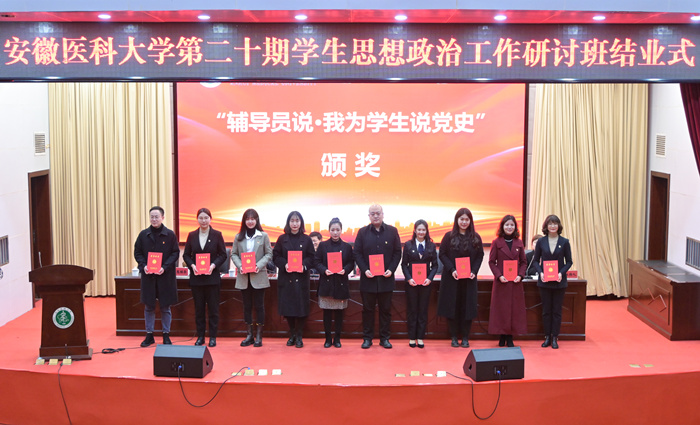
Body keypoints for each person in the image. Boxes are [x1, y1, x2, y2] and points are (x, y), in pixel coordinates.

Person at [353, 204, 402, 349]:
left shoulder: (392, 231)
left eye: (378, 213)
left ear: (383, 214)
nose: (375, 216)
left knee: (385, 310)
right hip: (368, 279)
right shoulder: (362, 232)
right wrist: (364, 269)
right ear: (369, 216)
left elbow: (397, 252)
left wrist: (391, 269)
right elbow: (357, 253)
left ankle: (384, 338)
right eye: (372, 213)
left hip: (386, 279)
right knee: (367, 310)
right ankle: (367, 338)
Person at [133, 206, 180, 347]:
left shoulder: (170, 235)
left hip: (165, 277)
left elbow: (175, 253)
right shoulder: (143, 235)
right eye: (152, 217)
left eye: (157, 217)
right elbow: (137, 252)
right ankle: (149, 335)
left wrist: (164, 267)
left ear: (162, 218)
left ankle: (166, 334)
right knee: (149, 307)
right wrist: (143, 266)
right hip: (149, 277)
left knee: (165, 307)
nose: (154, 219)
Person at [438, 208, 484, 348]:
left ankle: (465, 337)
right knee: (452, 306)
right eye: (461, 219)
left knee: (467, 307)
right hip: (452, 278)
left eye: (467, 219)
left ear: (470, 221)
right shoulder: (448, 236)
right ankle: (453, 337)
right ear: (457, 220)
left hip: (469, 279)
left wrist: (474, 271)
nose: (464, 222)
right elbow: (442, 254)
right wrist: (452, 269)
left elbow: (480, 256)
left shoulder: (476, 237)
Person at [182, 208, 228, 347]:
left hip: (212, 278)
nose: (203, 221)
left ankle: (212, 337)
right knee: (199, 310)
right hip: (197, 279)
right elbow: (186, 255)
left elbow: (223, 254)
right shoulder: (192, 235)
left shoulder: (217, 235)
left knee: (213, 309)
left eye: (206, 218)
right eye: (201, 218)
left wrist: (213, 265)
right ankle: (200, 336)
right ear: (197, 219)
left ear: (210, 219)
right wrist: (192, 266)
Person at [231, 208, 273, 347]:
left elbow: (269, 254)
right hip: (244, 276)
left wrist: (258, 266)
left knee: (259, 306)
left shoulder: (263, 236)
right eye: (247, 219)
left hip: (258, 276)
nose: (250, 221)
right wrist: (240, 266)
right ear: (244, 221)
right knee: (247, 306)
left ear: (256, 220)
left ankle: (259, 336)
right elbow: (234, 254)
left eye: (252, 219)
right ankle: (249, 335)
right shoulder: (238, 237)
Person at [273, 211, 315, 348]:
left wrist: (304, 265)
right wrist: (284, 264)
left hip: (301, 278)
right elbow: (276, 256)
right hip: (287, 278)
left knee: (301, 308)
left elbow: (312, 257)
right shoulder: (282, 239)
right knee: (288, 308)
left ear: (301, 223)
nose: (295, 224)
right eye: (292, 221)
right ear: (288, 223)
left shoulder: (307, 239)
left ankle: (299, 336)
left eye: (297, 221)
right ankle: (292, 334)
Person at [533, 214, 573, 349]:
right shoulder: (541, 242)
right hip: (544, 281)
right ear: (546, 226)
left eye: (555, 223)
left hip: (559, 282)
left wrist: (561, 273)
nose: (553, 226)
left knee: (556, 311)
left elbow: (569, 262)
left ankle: (555, 337)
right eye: (550, 223)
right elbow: (535, 261)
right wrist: (541, 272)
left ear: (559, 226)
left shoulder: (564, 242)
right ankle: (547, 337)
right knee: (546, 311)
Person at [314, 218, 354, 348]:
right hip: (327, 283)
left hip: (340, 282)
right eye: (333, 230)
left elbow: (351, 263)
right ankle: (327, 339)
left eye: (337, 230)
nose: (335, 232)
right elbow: (316, 261)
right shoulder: (323, 246)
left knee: (339, 313)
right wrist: (324, 270)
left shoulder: (347, 247)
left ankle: (337, 338)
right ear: (329, 231)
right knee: (326, 313)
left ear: (341, 230)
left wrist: (345, 270)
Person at [487, 215, 527, 347]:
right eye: (507, 225)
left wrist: (520, 275)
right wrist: (499, 275)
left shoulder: (519, 242)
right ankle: (501, 335)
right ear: (502, 226)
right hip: (501, 282)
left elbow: (523, 262)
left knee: (514, 310)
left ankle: (510, 336)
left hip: (515, 282)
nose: (509, 227)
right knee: (501, 310)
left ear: (515, 227)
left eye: (512, 225)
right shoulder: (496, 242)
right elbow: (491, 262)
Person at [400, 219, 438, 348]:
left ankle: (420, 337)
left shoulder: (431, 246)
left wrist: (430, 278)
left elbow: (435, 266)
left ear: (426, 231)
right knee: (412, 310)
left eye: (423, 230)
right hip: (412, 284)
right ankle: (412, 337)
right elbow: (404, 265)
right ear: (415, 230)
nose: (421, 232)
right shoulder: (408, 245)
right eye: (419, 229)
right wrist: (409, 278)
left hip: (426, 284)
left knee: (423, 310)